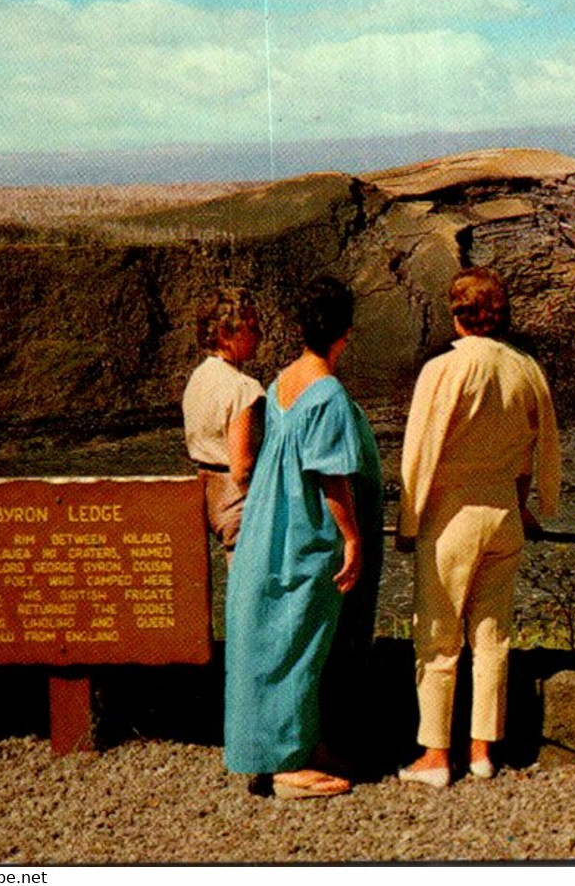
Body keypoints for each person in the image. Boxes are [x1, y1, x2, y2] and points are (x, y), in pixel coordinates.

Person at [396, 267, 560, 787]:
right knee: (493, 636)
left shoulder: (443, 370)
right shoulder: (526, 370)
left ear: (456, 313)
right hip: (504, 515)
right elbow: (539, 450)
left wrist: (408, 518)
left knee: (438, 638)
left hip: (451, 518)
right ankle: (483, 750)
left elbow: (419, 451)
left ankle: (435, 756)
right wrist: (531, 503)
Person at [223, 276, 382, 799]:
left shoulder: (281, 380)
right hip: (306, 530)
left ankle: (299, 743)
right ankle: (287, 764)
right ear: (347, 333)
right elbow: (330, 474)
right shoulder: (328, 393)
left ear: (298, 329)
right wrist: (353, 536)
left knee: (277, 634)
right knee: (298, 640)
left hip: (268, 523)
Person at [181, 287, 264, 565]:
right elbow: (242, 467)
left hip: (204, 492)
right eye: (251, 328)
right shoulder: (243, 388)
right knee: (250, 590)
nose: (260, 336)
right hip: (236, 499)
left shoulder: (197, 379)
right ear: (225, 335)